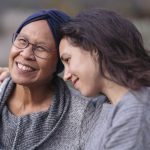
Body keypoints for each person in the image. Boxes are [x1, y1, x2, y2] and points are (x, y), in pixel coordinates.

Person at [0, 9, 100, 150]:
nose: (26, 53)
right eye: (22, 41)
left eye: (40, 48)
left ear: (60, 61)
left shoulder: (82, 115)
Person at [59, 8, 150, 150]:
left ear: (94, 48)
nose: (66, 76)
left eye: (68, 60)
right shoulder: (105, 105)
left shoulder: (135, 112)